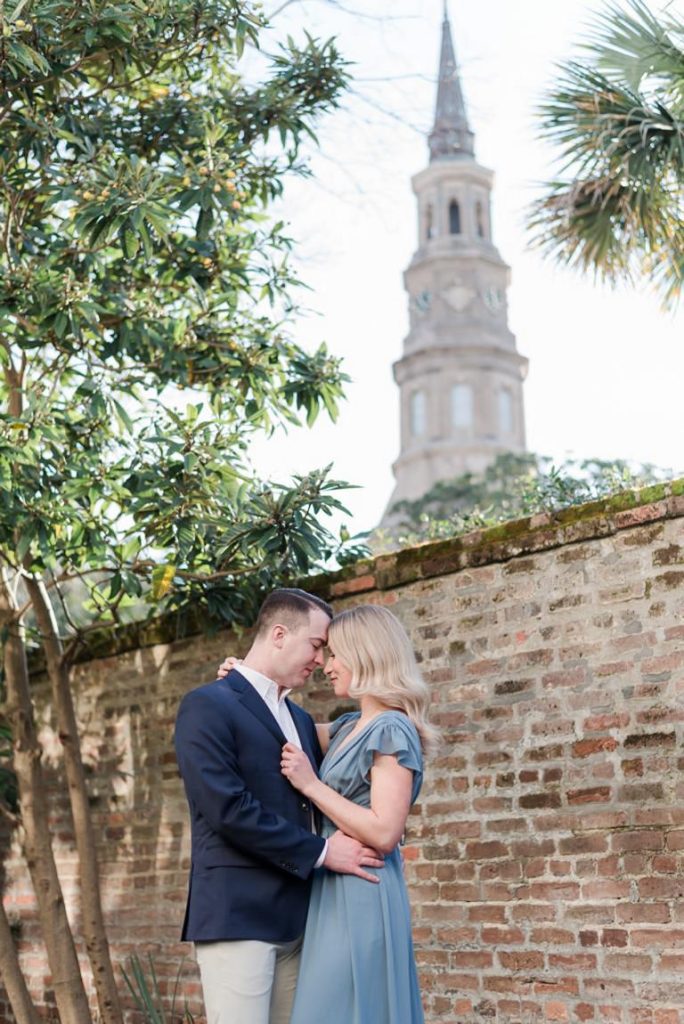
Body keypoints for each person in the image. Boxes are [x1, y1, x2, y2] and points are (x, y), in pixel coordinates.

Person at [174, 588, 384, 1024]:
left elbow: (366, 736)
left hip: (301, 918)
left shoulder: (303, 720)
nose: (320, 659)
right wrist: (324, 853)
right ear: (279, 634)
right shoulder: (206, 705)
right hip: (238, 916)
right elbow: (226, 809)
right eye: (316, 644)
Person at [280, 603, 438, 1024]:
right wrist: (248, 677)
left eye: (335, 654)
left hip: (363, 887)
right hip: (332, 882)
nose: (326, 666)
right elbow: (275, 728)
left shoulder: (392, 729)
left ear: (366, 654)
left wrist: (311, 785)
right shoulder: (350, 726)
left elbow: (386, 831)